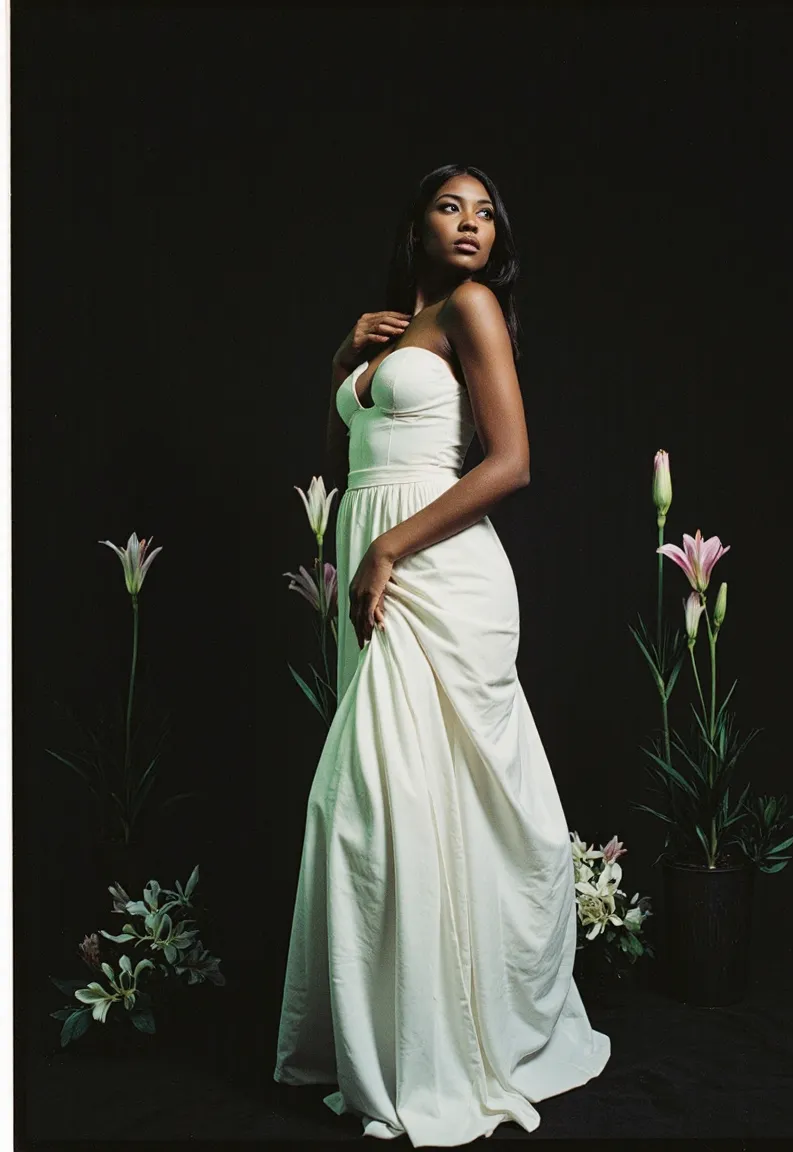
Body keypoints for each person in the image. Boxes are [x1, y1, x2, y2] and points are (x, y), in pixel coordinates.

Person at [273, 163, 610, 1146]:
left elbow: (511, 460)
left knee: (394, 800)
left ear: (496, 244)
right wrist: (346, 351)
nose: (469, 224)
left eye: (485, 214)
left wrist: (383, 546)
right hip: (380, 566)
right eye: (448, 207)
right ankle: (387, 1035)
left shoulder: (470, 308)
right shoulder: (389, 325)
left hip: (438, 572)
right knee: (387, 806)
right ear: (415, 224)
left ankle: (455, 1038)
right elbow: (361, 444)